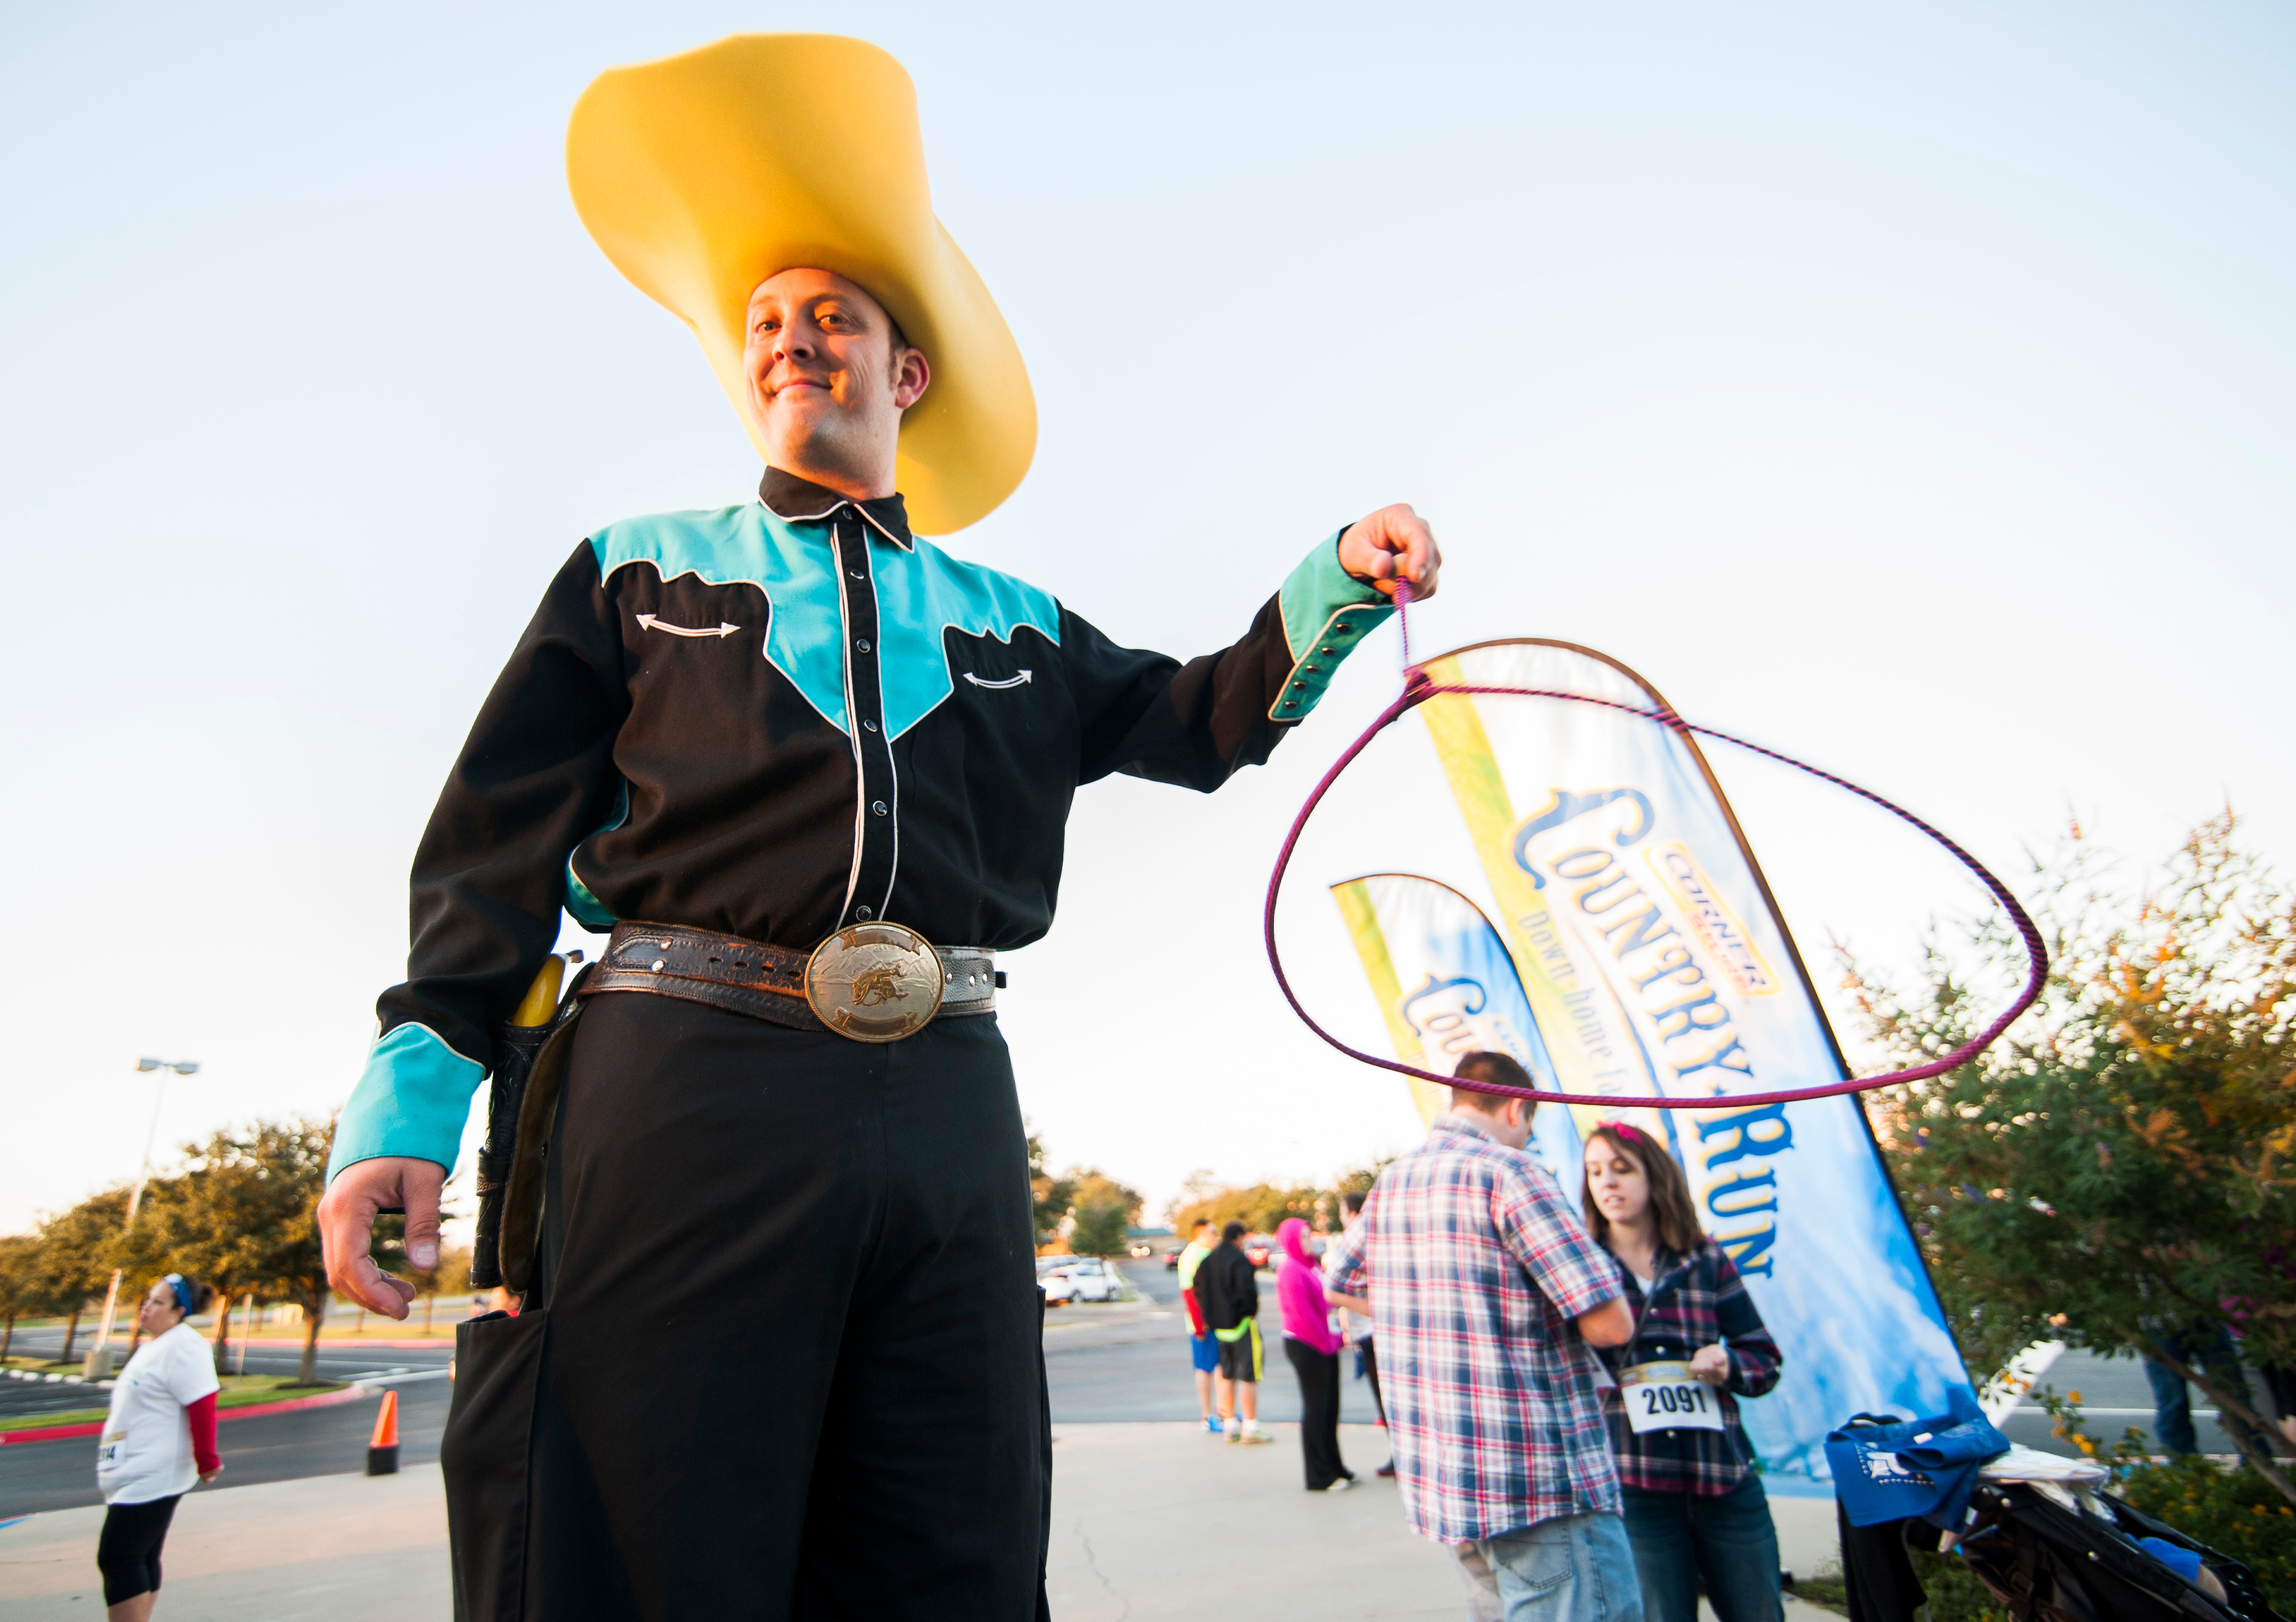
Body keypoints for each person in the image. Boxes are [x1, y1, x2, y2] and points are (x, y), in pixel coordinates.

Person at [309, 34, 1438, 1619]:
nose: (792, 339)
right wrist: (406, 1102)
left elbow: (1197, 719)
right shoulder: (631, 567)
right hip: (676, 1081)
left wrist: (1331, 570)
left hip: (951, 1098)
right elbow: (492, 847)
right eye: (765, 322)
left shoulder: (1014, 618)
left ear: (907, 372)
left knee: (952, 1541)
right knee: (639, 1534)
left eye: (833, 316)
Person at [1327, 1052, 1640, 1622]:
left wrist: (1432, 1310)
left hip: (1451, 1479)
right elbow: (1609, 1324)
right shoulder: (1509, 1172)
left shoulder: (1395, 1179)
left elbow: (1339, 1282)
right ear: (1518, 1107)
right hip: (1538, 1484)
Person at [1581, 1123, 1785, 1622]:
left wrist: (1728, 1364)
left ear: (1654, 1175)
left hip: (1722, 1474)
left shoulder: (1704, 1257)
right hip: (1635, 1482)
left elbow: (1764, 1359)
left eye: (1621, 1168)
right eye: (1594, 1171)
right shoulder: (1582, 1267)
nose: (1607, 1182)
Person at [95, 1274, 223, 1622]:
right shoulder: (154, 1345)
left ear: (179, 1311)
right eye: (147, 1300)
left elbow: (202, 1402)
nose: (146, 1308)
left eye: (158, 1303)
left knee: (119, 1558)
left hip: (152, 1471)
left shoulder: (183, 1345)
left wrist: (207, 1460)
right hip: (134, 1470)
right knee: (140, 1556)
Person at [1277, 1217, 1354, 1491]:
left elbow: (1327, 1306)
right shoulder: (1290, 1270)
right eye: (1304, 1237)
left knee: (1330, 1408)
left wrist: (1333, 1339)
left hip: (1325, 1344)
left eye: (1311, 1236)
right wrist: (1325, 1342)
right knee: (1316, 1409)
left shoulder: (1311, 1268)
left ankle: (1335, 1466)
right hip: (1307, 1346)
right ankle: (1319, 1475)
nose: (1310, 1242)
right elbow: (1303, 1315)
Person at [1330, 1191, 1394, 1476]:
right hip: (1366, 1333)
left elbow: (1334, 1288)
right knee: (1386, 1399)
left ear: (1354, 1215)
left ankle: (1401, 1456)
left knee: (1387, 1399)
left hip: (1373, 1332)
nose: (1342, 1219)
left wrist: (1380, 1313)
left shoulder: (1360, 1237)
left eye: (1343, 1213)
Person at [1197, 1221, 1273, 1444]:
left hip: (1220, 1329)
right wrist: (1250, 1312)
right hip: (1241, 1325)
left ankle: (1230, 1426)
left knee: (1227, 1375)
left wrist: (1210, 1315)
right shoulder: (1239, 1260)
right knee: (1249, 1375)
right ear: (1239, 1237)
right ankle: (1250, 1426)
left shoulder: (1208, 1260)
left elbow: (1197, 1287)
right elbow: (1247, 1291)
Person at [1177, 1218, 1222, 1434]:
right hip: (1203, 1325)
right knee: (1205, 1368)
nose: (1216, 1237)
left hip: (1218, 1322)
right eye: (1213, 1233)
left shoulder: (1208, 1253)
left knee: (1222, 1367)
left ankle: (1225, 1411)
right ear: (1202, 1234)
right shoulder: (1191, 1257)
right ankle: (1208, 1416)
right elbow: (1189, 1293)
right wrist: (1198, 1326)